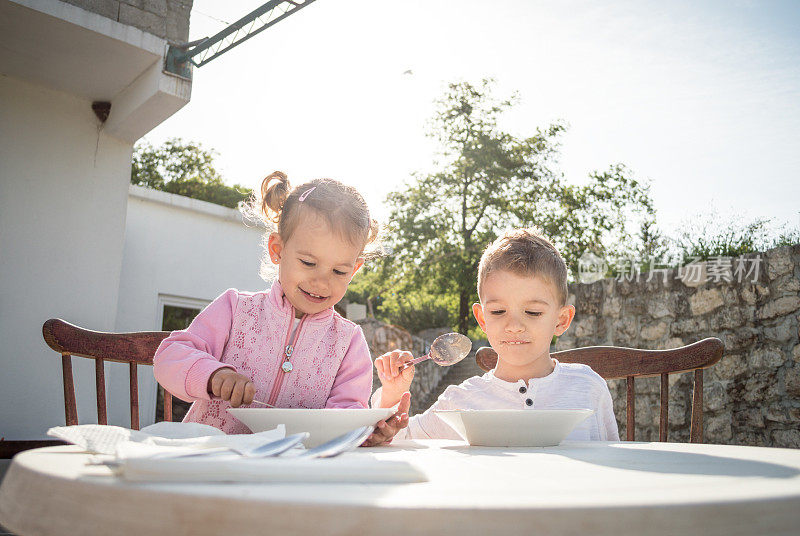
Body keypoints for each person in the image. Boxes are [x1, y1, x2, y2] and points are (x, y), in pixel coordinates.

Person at [154, 172, 408, 445]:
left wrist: (365, 431)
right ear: (278, 249)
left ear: (354, 270)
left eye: (339, 270)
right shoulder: (235, 308)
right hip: (211, 460)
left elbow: (347, 414)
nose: (321, 281)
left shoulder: (348, 342)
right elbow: (169, 356)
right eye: (308, 263)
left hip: (292, 473)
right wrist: (215, 375)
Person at [373, 228, 620, 442]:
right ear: (482, 319)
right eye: (498, 311)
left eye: (533, 312)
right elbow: (399, 442)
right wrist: (392, 395)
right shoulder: (459, 402)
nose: (513, 325)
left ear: (561, 320)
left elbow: (613, 461)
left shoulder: (589, 388)